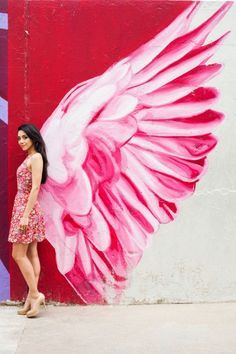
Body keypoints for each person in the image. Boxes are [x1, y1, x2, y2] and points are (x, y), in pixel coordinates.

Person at [8, 123, 48, 318]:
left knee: (18, 254)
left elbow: (35, 188)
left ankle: (35, 294)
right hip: (24, 207)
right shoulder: (29, 158)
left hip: (27, 210)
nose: (21, 141)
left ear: (34, 138)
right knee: (31, 253)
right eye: (19, 138)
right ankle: (30, 301)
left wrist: (25, 214)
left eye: (25, 137)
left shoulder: (36, 157)